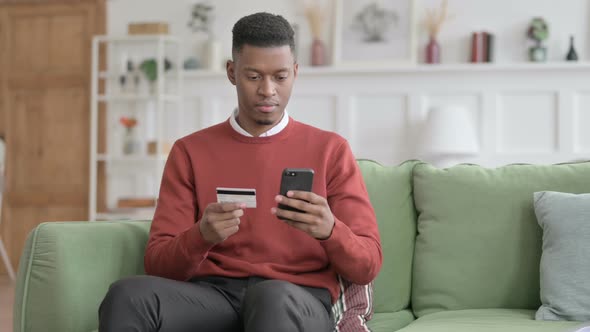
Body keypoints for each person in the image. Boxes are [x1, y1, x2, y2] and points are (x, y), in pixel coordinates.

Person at [99, 12, 382, 332]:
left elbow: (367, 265)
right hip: (214, 297)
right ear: (232, 73)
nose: (267, 90)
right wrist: (200, 236)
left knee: (271, 297)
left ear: (296, 73)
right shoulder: (190, 151)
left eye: (280, 76)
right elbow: (159, 263)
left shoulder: (331, 150)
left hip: (296, 299)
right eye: (254, 76)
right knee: (127, 295)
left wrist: (330, 230)